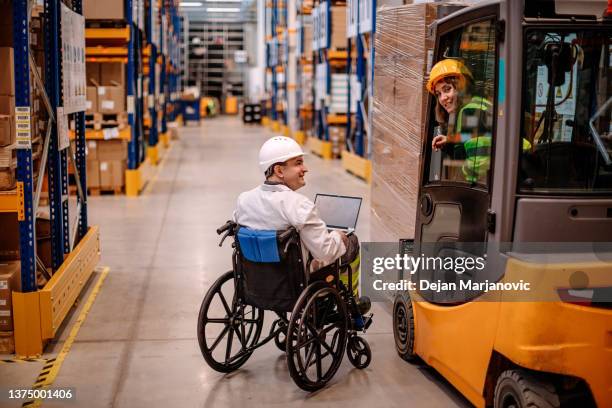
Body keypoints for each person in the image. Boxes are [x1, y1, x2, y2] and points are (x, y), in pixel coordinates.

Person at [233, 136, 360, 282]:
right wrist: (339, 236)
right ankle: (349, 299)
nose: (305, 169)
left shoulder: (244, 200)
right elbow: (325, 252)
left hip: (257, 279)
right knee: (351, 241)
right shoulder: (298, 205)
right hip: (291, 278)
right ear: (279, 170)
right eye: (298, 163)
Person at [428, 59, 531, 183]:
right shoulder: (478, 104)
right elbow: (477, 142)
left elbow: (477, 164)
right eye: (438, 94)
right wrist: (450, 140)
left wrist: (459, 183)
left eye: (447, 89)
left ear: (462, 87)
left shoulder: (470, 111)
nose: (443, 98)